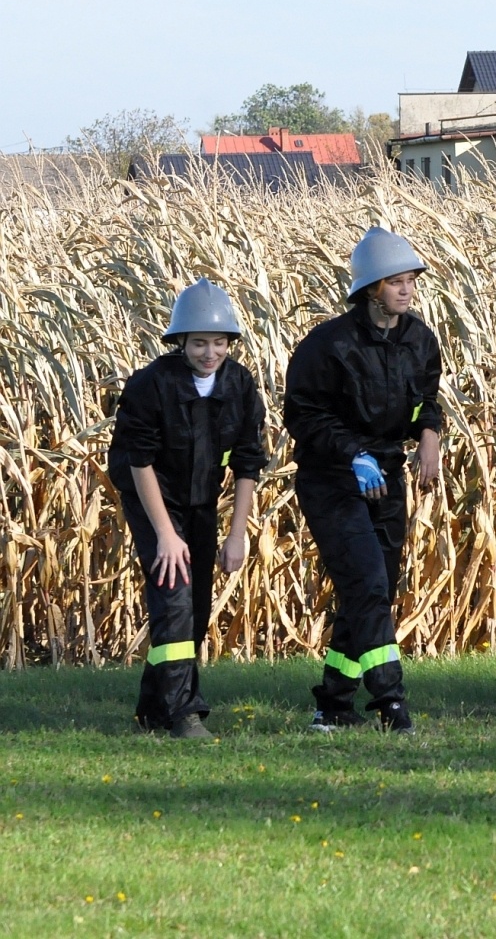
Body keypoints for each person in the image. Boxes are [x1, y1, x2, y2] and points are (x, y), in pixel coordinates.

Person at [284, 226, 442, 734]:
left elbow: (426, 400)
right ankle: (391, 702)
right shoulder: (328, 345)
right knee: (368, 583)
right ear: (371, 288)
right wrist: (353, 454)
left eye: (411, 281)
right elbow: (303, 414)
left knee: (372, 591)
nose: (407, 290)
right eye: (397, 282)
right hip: (332, 480)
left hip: (387, 476)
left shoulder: (419, 340)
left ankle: (332, 704)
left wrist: (431, 436)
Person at [109, 278, 266, 739]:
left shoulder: (239, 385)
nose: (210, 352)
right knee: (173, 597)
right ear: (181, 342)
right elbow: (140, 463)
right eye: (199, 343)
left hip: (201, 502)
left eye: (219, 342)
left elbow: (247, 463)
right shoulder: (150, 385)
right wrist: (165, 534)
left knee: (194, 610)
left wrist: (235, 535)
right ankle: (183, 714)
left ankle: (151, 711)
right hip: (153, 500)